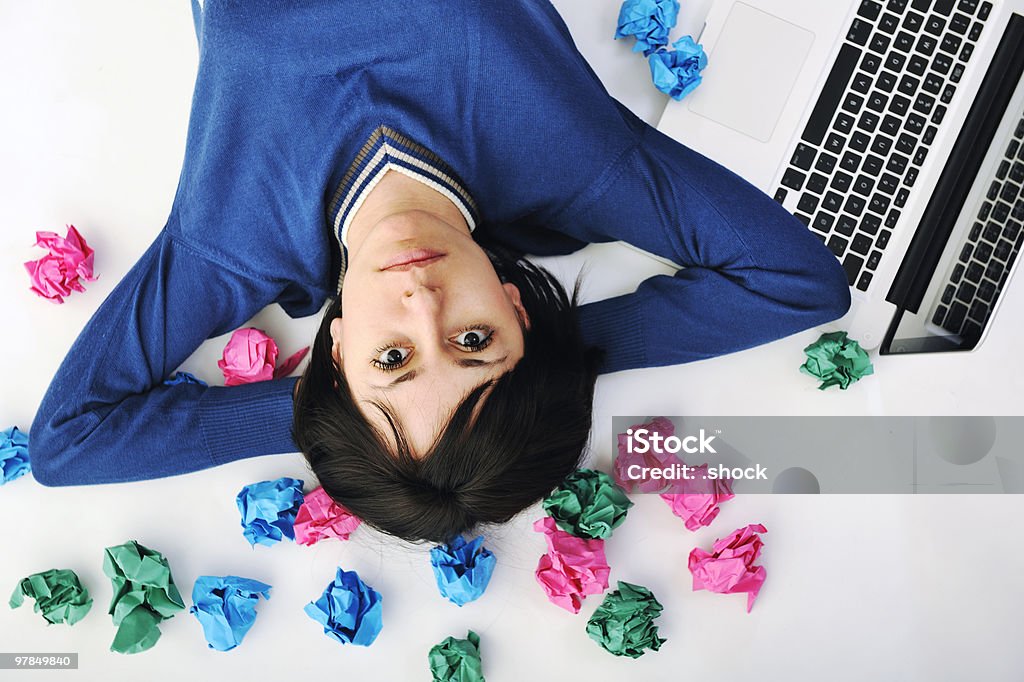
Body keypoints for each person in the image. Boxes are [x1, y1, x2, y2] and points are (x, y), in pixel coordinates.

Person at [28, 0, 850, 543]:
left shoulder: (235, 238)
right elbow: (796, 282)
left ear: (336, 352)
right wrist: (545, 367)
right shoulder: (566, 157)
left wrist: (340, 420)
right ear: (519, 314)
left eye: (394, 359)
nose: (422, 301)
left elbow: (69, 446)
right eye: (474, 340)